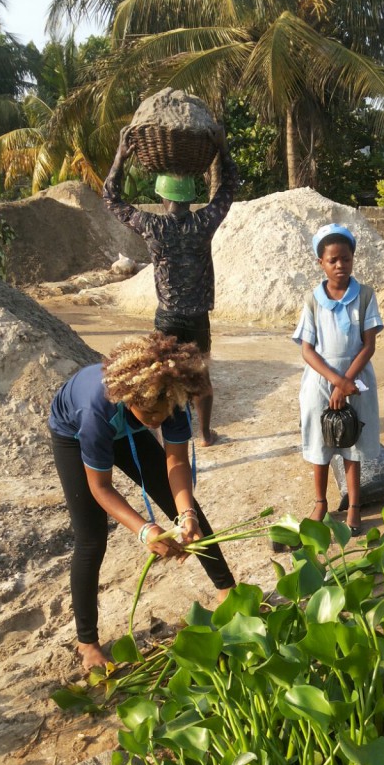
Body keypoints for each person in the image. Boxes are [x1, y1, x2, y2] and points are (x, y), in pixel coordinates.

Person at [49, 332, 235, 672]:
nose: (158, 420)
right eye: (150, 412)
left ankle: (227, 590)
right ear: (132, 396)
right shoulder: (97, 411)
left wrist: (186, 513)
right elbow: (100, 487)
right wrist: (144, 530)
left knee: (182, 504)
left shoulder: (168, 400)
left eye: (164, 413)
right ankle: (87, 642)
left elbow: (176, 463)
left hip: (125, 424)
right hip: (74, 433)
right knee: (91, 538)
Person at [103, 125, 238, 446]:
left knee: (163, 378)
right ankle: (205, 435)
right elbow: (228, 189)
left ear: (162, 197)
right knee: (200, 376)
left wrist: (121, 159)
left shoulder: (152, 225)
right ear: (191, 196)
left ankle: (166, 436)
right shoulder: (204, 222)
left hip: (167, 317)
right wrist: (222, 150)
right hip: (197, 317)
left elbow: (111, 198)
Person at [292, 224, 383, 535]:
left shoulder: (366, 295)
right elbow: (307, 350)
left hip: (356, 379)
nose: (340, 265)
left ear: (353, 258)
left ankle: (355, 504)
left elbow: (368, 345)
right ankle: (320, 502)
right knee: (321, 443)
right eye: (333, 260)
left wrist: (346, 383)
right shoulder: (312, 300)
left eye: (345, 258)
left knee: (351, 442)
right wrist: (336, 383)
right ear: (321, 263)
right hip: (320, 382)